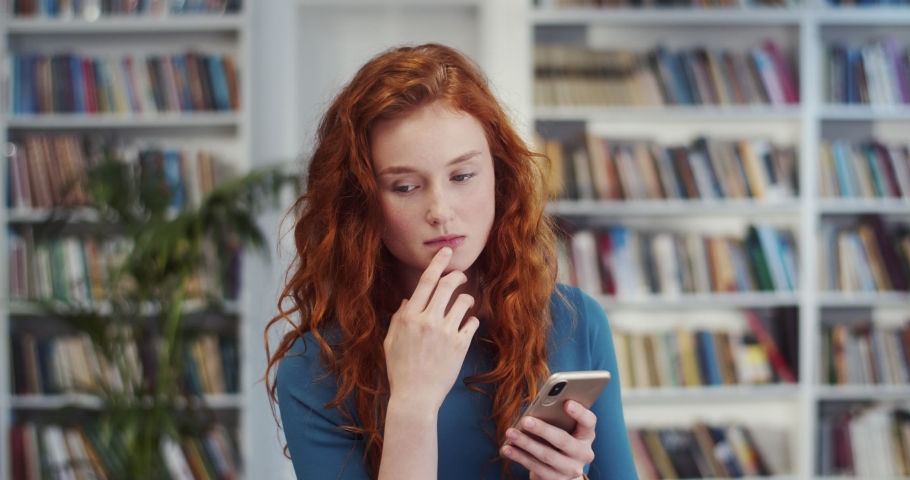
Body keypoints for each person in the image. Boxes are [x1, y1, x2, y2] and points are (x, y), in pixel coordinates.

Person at [264, 43, 637, 480]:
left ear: (500, 175)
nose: (440, 209)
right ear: (359, 202)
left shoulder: (575, 321)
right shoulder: (315, 368)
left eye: (462, 176)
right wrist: (412, 407)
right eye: (404, 186)